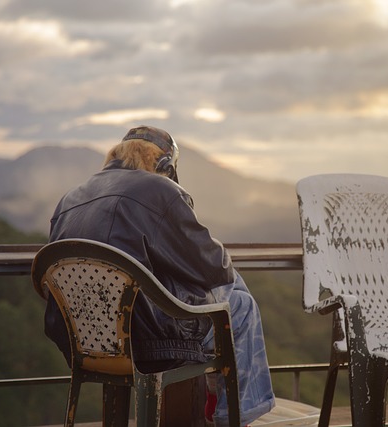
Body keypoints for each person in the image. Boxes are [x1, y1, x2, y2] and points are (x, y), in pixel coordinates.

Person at [44, 125, 275, 426]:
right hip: (145, 341)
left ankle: (221, 409)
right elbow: (212, 266)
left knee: (226, 295)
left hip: (84, 339)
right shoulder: (159, 190)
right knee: (240, 304)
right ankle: (233, 418)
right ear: (166, 165)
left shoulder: (69, 198)